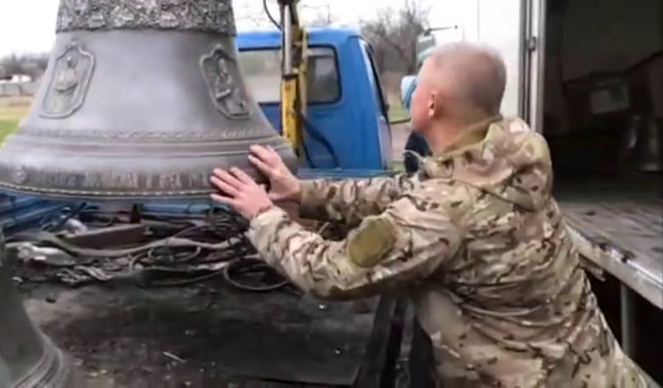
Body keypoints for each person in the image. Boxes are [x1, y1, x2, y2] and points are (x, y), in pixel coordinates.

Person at [209, 42, 644, 386]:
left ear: (431, 104)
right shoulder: (506, 160)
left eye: (417, 85)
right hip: (595, 370)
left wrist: (263, 214)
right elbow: (407, 190)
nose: (410, 90)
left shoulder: (445, 210)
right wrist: (301, 193)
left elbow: (330, 273)